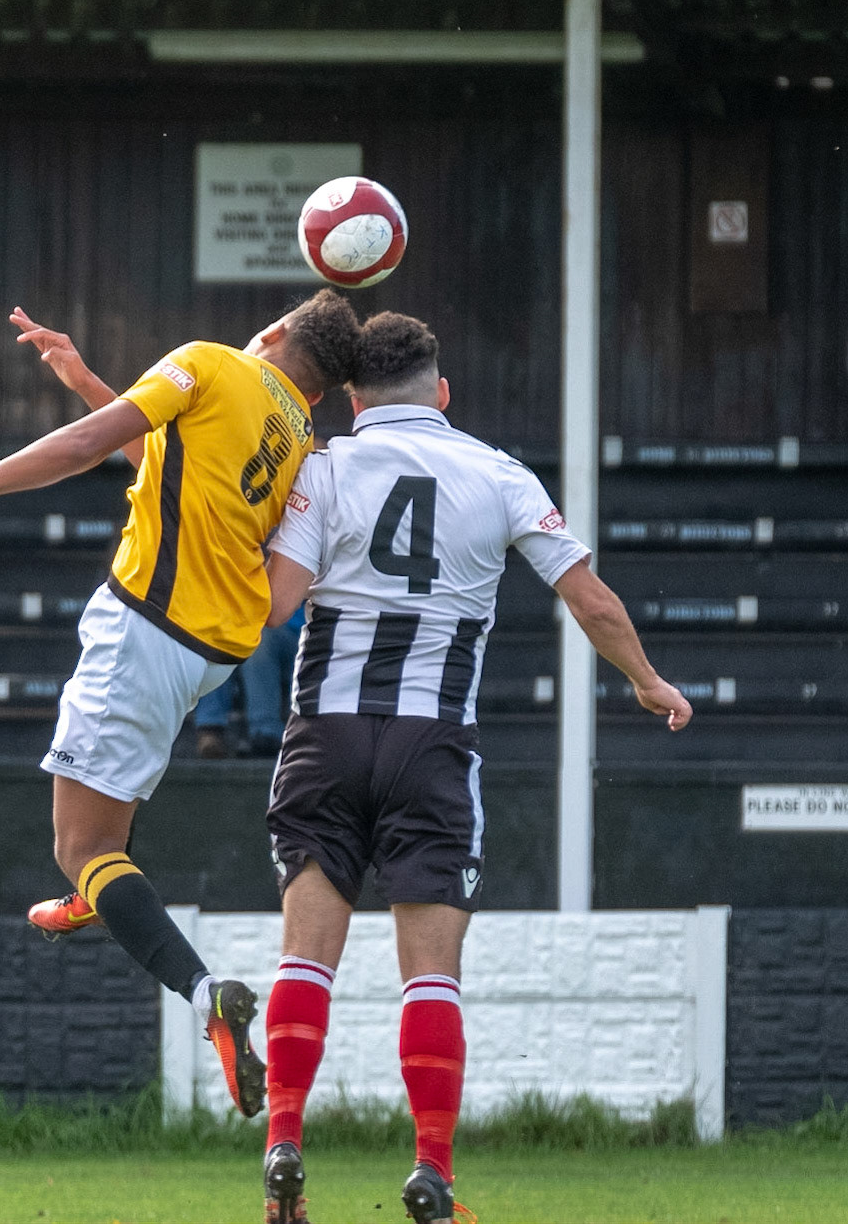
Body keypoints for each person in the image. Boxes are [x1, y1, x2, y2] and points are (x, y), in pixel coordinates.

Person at [0, 289, 361, 1119]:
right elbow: (166, 464)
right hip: (207, 651)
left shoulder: (212, 362)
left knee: (81, 845)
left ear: (275, 331)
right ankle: (97, 890)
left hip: (144, 631)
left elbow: (86, 447)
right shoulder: (298, 440)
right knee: (103, 828)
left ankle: (204, 992)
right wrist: (86, 380)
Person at [259, 312, 693, 1224]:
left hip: (325, 735)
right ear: (442, 392)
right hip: (432, 745)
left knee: (306, 957)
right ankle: (431, 1168)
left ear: (353, 399)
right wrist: (646, 681)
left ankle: (284, 1142)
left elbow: (276, 607)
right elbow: (589, 600)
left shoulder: (322, 470)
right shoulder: (499, 475)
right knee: (430, 974)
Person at [195, 607, 305, 759]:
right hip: (241, 625)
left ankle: (265, 734)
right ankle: (209, 730)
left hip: (294, 631)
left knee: (260, 639)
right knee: (217, 628)